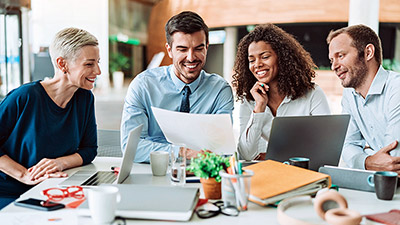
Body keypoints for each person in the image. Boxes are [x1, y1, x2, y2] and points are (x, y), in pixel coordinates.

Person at [0, 27, 99, 209]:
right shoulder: (25, 96)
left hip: (50, 189)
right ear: (62, 64)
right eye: (89, 64)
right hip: (9, 192)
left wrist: (59, 163)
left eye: (97, 63)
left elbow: (89, 149)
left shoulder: (84, 98)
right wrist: (24, 174)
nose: (98, 71)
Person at [121, 11, 234, 163]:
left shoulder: (220, 90)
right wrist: (183, 152)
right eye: (182, 49)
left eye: (199, 49)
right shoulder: (143, 86)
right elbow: (131, 147)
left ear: (207, 47)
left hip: (200, 174)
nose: (191, 57)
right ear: (169, 50)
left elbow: (223, 150)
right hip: (153, 172)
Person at [232, 24, 331, 161]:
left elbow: (326, 147)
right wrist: (259, 108)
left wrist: (270, 157)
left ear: (282, 57)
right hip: (263, 177)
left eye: (265, 57)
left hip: (303, 175)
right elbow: (246, 155)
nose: (257, 64)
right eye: (251, 60)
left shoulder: (312, 95)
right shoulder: (248, 101)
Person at [327, 24, 400, 173]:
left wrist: (363, 155)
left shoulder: (396, 88)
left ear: (368, 52)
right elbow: (347, 145)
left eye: (340, 56)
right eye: (331, 60)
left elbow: (394, 158)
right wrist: (367, 161)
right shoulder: (349, 95)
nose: (334, 66)